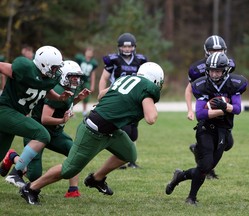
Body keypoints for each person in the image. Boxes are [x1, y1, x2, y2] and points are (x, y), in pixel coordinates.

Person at [19, 62, 164, 205]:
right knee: (68, 169)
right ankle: (31, 188)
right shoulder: (148, 88)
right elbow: (151, 118)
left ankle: (96, 178)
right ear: (156, 80)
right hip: (93, 130)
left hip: (111, 129)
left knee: (129, 154)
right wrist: (149, 105)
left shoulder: (124, 78)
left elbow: (101, 95)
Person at [166, 52, 247, 205]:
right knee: (205, 165)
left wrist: (225, 106)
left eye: (218, 71)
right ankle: (191, 198)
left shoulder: (234, 83)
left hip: (224, 129)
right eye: (211, 70)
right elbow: (201, 113)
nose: (214, 74)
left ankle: (179, 176)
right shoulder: (202, 84)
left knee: (207, 167)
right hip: (206, 129)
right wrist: (223, 109)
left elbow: (237, 108)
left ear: (225, 71)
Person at [0, 60, 91, 197]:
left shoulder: (57, 85)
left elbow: (65, 104)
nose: (76, 80)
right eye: (73, 76)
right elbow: (45, 119)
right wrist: (62, 120)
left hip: (55, 133)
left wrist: (77, 99)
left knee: (74, 154)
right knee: (34, 175)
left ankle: (73, 190)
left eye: (77, 77)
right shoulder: (56, 87)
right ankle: (13, 158)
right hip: (38, 130)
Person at [0, 45, 73, 188]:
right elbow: (2, 66)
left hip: (15, 115)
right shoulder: (26, 69)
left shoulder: (46, 78)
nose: (56, 71)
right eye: (53, 67)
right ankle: (16, 173)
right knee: (42, 134)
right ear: (43, 64)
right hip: (5, 111)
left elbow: (43, 89)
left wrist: (59, 98)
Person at [185, 35, 236, 179]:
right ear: (206, 51)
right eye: (213, 50)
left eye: (219, 50)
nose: (216, 53)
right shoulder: (197, 69)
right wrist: (190, 109)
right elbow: (189, 89)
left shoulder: (229, 64)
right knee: (211, 143)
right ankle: (206, 169)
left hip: (223, 109)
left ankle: (198, 151)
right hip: (206, 107)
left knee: (228, 143)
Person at [98, 32, 147, 169]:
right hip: (118, 98)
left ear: (134, 47)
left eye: (130, 47)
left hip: (134, 98)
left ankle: (131, 160)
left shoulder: (140, 60)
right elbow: (104, 78)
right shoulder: (113, 60)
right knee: (123, 130)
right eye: (124, 47)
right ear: (119, 47)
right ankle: (121, 158)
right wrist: (102, 95)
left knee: (133, 131)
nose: (127, 49)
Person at [74, 47, 98, 117]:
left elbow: (93, 74)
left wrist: (92, 85)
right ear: (85, 52)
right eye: (88, 52)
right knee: (74, 94)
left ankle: (84, 112)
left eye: (90, 52)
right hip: (79, 80)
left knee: (86, 96)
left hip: (86, 81)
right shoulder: (80, 59)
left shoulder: (93, 62)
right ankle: (71, 110)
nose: (89, 53)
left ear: (92, 54)